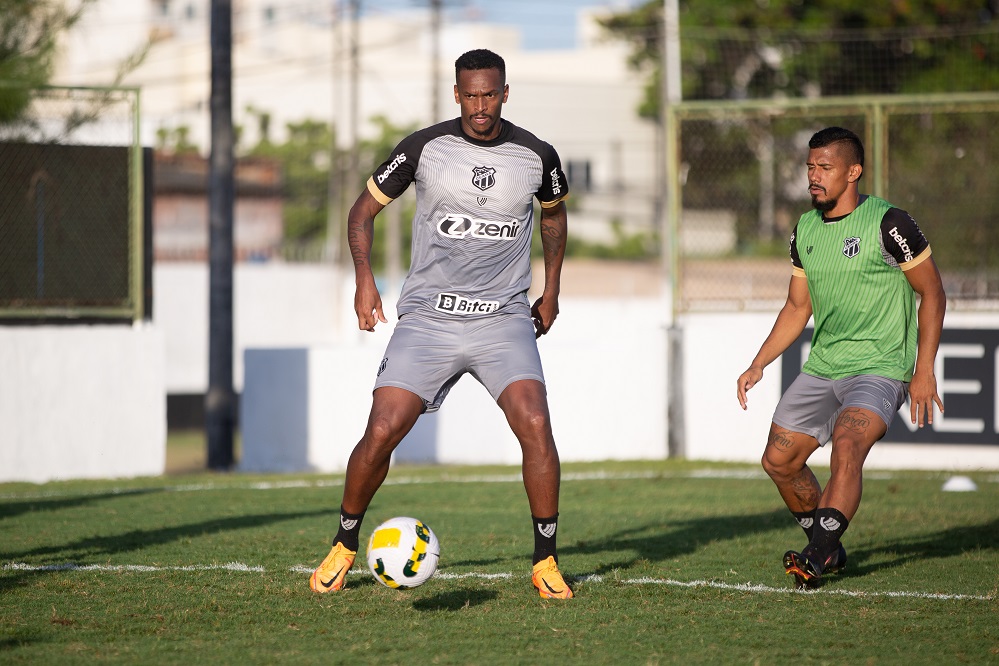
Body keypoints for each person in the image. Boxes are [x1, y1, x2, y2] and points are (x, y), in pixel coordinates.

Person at [309, 49, 573, 599]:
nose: (480, 106)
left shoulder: (537, 156)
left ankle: (545, 560)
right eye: (470, 95)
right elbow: (361, 212)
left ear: (505, 91)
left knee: (536, 425)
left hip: (503, 318)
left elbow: (553, 215)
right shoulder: (424, 148)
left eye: (490, 94)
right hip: (429, 317)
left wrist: (551, 290)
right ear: (457, 94)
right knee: (382, 430)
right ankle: (343, 542)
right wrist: (363, 280)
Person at [736, 127, 946, 589]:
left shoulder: (890, 223)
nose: (814, 176)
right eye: (810, 167)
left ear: (854, 172)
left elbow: (932, 292)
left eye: (825, 168)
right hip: (824, 366)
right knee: (779, 462)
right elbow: (797, 307)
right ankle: (828, 544)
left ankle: (816, 556)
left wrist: (924, 369)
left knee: (848, 448)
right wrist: (759, 362)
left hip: (880, 366)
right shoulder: (805, 229)